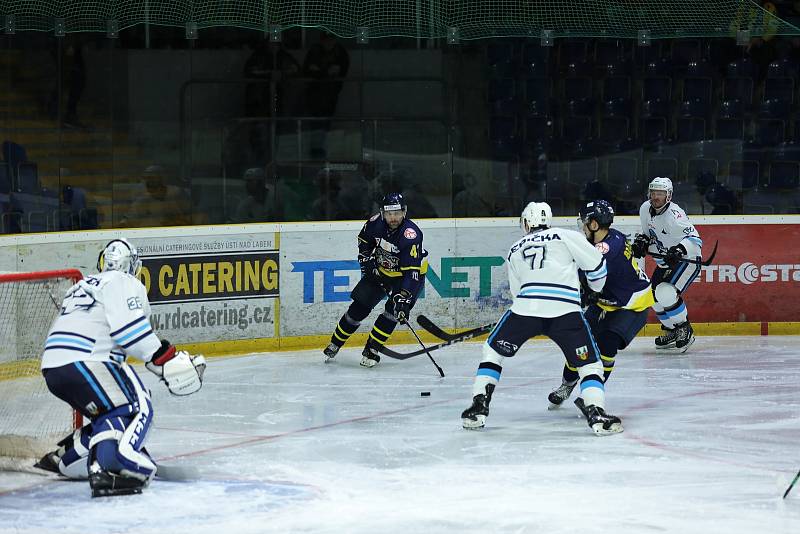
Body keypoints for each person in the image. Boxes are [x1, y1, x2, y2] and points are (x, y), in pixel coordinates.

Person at [34, 238, 206, 497]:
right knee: (135, 407)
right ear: (132, 265)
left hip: (54, 367)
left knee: (109, 413)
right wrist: (164, 360)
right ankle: (110, 467)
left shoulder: (83, 285)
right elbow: (130, 332)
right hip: (87, 360)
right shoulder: (124, 282)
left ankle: (65, 456)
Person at [461, 201, 623, 436]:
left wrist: (528, 315)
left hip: (526, 309)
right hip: (565, 310)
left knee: (492, 352)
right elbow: (596, 266)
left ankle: (478, 407)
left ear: (526, 223)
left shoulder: (515, 248)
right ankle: (596, 413)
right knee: (589, 364)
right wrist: (593, 290)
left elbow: (517, 294)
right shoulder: (566, 235)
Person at [547, 200, 655, 408]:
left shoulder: (606, 248)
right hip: (606, 302)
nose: (582, 226)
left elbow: (592, 273)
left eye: (585, 222)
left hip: (631, 305)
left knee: (606, 345)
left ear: (595, 225)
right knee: (578, 342)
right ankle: (567, 384)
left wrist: (583, 291)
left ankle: (592, 394)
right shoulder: (604, 239)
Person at [322, 192, 428, 368]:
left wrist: (404, 296)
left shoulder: (411, 235)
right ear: (382, 212)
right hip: (380, 271)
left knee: (392, 313)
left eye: (397, 213)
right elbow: (364, 241)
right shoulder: (374, 223)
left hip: (406, 277)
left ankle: (372, 349)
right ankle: (335, 343)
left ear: (404, 212)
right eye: (389, 214)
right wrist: (367, 261)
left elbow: (411, 273)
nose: (393, 218)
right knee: (358, 308)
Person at [631, 177, 703, 352]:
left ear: (668, 196)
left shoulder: (675, 216)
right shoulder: (645, 209)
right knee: (652, 297)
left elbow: (695, 240)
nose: (656, 197)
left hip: (688, 260)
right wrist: (642, 241)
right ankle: (672, 330)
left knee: (665, 292)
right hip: (666, 261)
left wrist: (679, 250)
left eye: (660, 194)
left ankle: (684, 330)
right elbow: (649, 233)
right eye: (654, 193)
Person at [302, 32, 350, 157]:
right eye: (326, 40)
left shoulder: (339, 52)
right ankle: (316, 149)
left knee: (324, 122)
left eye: (330, 39)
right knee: (316, 123)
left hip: (329, 93)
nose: (328, 43)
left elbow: (338, 71)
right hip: (316, 93)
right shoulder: (317, 51)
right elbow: (308, 69)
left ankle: (319, 149)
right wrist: (325, 72)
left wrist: (320, 71)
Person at [119, 165, 191, 228]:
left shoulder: (177, 193)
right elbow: (127, 222)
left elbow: (192, 218)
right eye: (146, 178)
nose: (148, 182)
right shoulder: (142, 200)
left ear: (162, 179)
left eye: (151, 178)